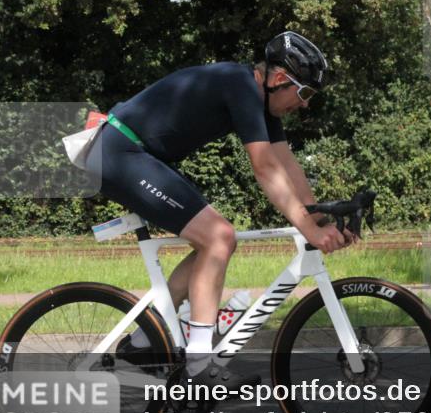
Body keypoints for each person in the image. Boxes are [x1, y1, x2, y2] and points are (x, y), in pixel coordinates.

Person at [86, 31, 352, 393]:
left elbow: (286, 164)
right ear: (278, 79)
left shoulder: (261, 102)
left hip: (133, 154)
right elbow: (265, 169)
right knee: (219, 237)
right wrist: (308, 228)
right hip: (120, 152)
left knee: (214, 243)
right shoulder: (239, 85)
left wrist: (320, 219)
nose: (304, 104)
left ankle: (144, 343)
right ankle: (198, 365)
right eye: (303, 93)